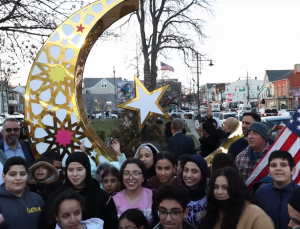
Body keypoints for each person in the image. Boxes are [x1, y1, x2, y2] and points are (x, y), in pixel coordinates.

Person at [38, 152, 117, 229]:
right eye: (70, 170)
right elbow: (45, 223)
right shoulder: (56, 196)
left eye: (79, 169)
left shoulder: (102, 197)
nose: (74, 174)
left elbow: (112, 224)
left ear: (87, 169)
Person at [199, 167, 274, 229]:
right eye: (216, 187)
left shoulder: (257, 216)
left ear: (236, 189)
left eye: (225, 187)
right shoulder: (213, 212)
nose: (219, 192)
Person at [106, 158, 159, 227]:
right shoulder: (113, 199)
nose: (130, 177)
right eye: (126, 173)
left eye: (136, 173)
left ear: (143, 177)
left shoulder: (153, 195)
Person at [255, 150, 299, 229]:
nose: (278, 169)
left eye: (283, 165)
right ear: (269, 170)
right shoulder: (261, 192)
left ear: (293, 170)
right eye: (273, 165)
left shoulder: (298, 193)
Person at [0, 157, 44, 229]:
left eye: (22, 174)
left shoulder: (37, 199)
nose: (18, 178)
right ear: (4, 177)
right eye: (12, 174)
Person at [181, 155, 210, 227]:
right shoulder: (177, 194)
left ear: (202, 175)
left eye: (194, 171)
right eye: (186, 170)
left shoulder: (212, 195)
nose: (188, 175)